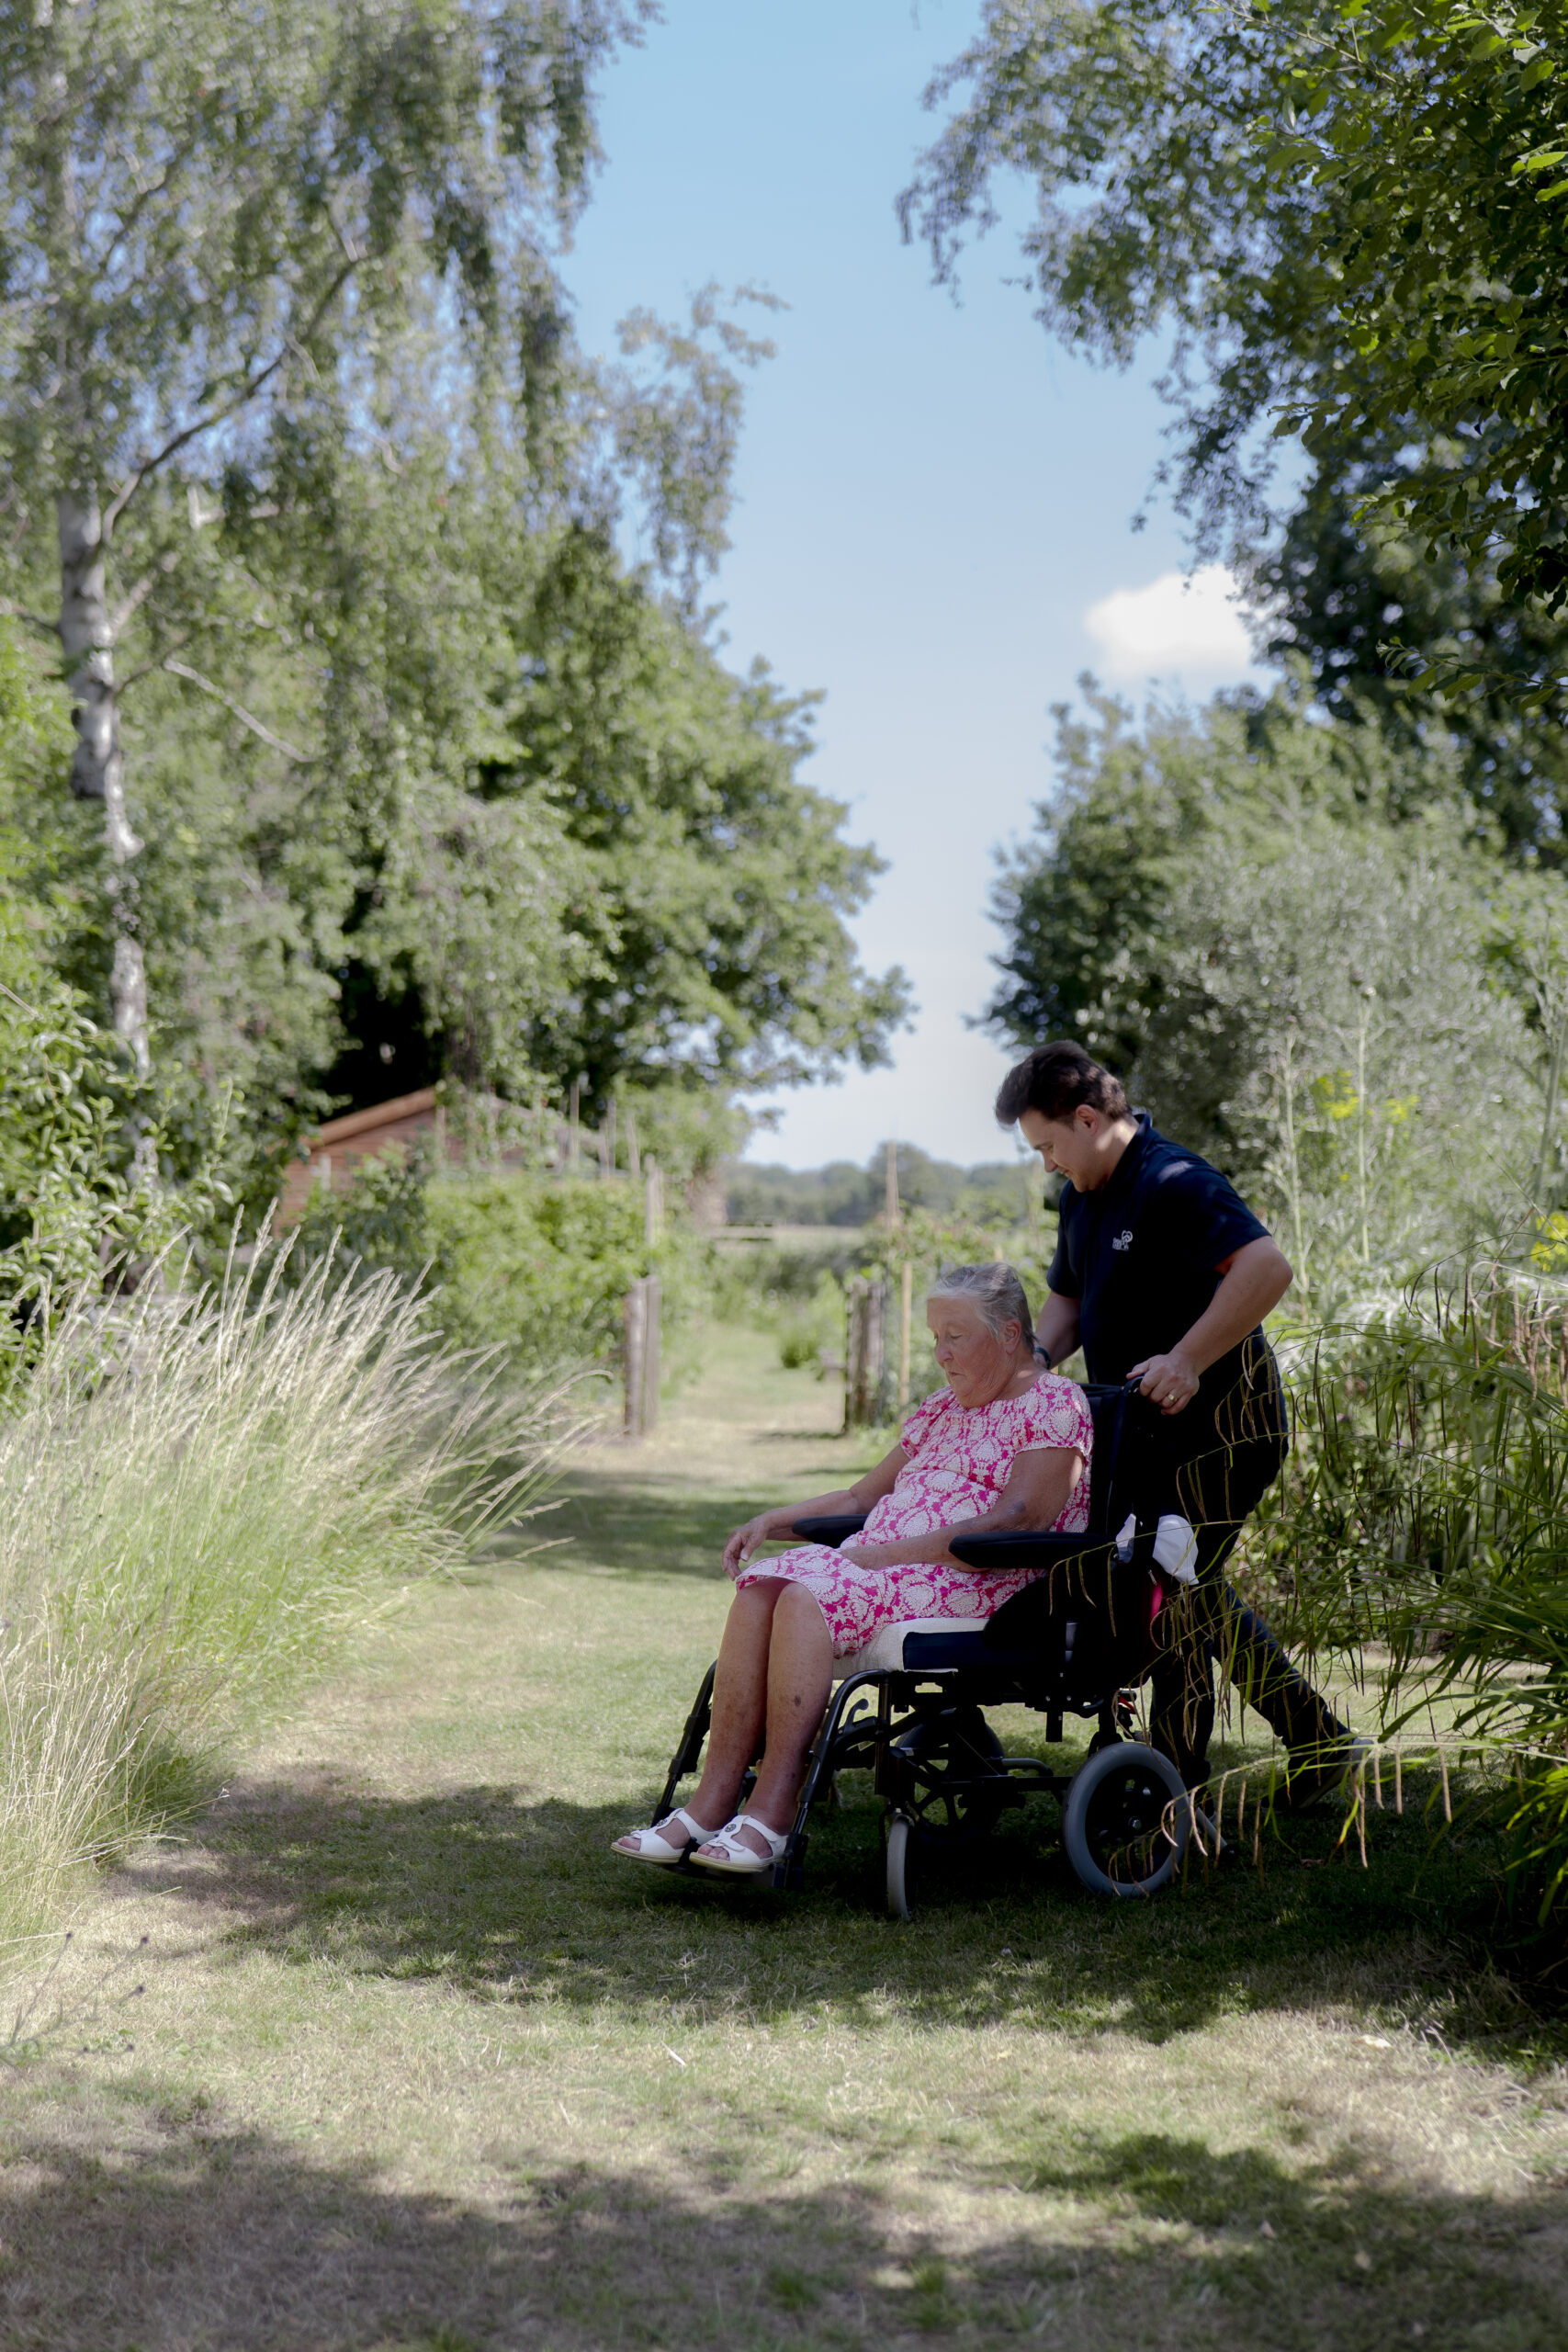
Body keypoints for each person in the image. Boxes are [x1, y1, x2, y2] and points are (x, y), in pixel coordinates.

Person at [612, 1263, 1092, 1876]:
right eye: (933, 1338)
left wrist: (874, 1556)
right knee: (762, 1589)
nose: (941, 1355)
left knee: (804, 1593)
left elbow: (1017, 1521)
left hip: (981, 1582)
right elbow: (860, 1500)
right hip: (882, 1569)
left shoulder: (1052, 1404)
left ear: (1007, 1334)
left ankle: (771, 1814)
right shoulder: (943, 1408)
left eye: (955, 1337)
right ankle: (709, 1805)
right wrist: (772, 1520)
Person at [994, 1039, 1354, 1799]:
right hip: (1142, 1434)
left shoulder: (1174, 1181)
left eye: (1048, 1145)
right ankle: (1316, 1738)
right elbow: (1066, 1304)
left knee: (1170, 1582)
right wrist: (1020, 1374)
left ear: (1087, 1119)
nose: (1046, 1163)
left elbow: (1266, 1268)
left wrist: (1186, 1358)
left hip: (1228, 1424)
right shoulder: (1080, 1196)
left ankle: (1174, 1787)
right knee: (1190, 1582)